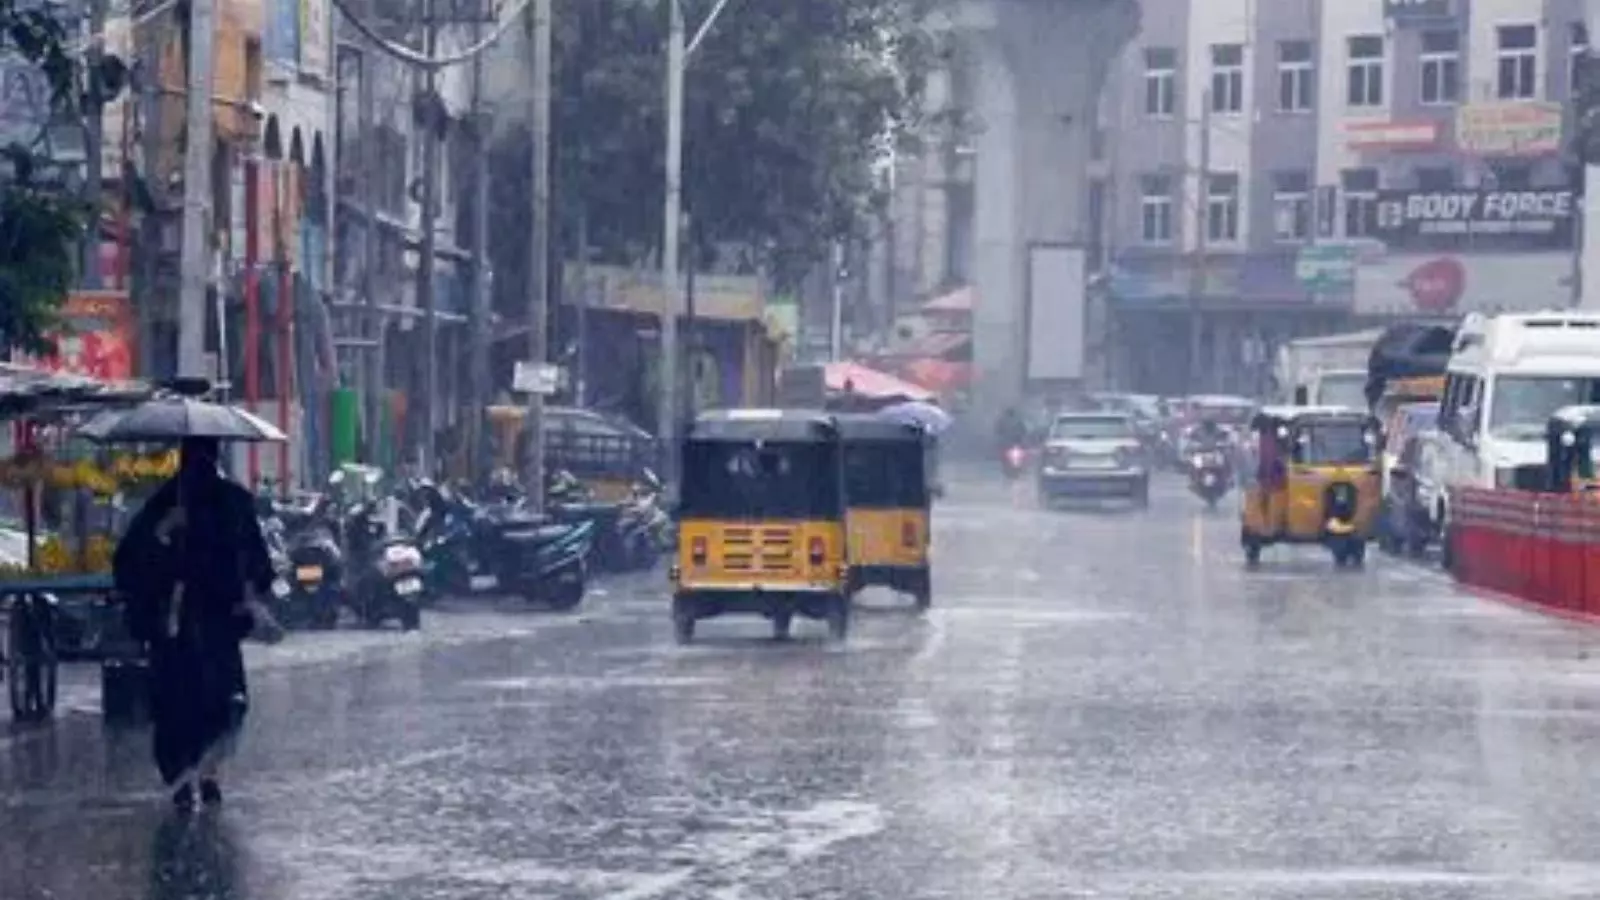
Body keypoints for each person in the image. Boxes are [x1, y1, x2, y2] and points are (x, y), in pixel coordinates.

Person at [114, 437, 282, 811]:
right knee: (217, 703)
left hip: (190, 629)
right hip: (199, 628)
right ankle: (203, 775)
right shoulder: (208, 502)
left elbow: (129, 562)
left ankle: (193, 776)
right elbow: (259, 565)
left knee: (185, 705)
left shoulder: (173, 501)